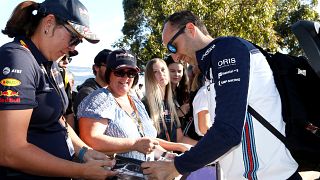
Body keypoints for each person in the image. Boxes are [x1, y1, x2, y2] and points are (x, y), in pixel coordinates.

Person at [141, 10, 300, 180]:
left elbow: (228, 132)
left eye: (173, 46)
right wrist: (185, 158)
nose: (175, 56)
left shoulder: (228, 50)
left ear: (190, 29)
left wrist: (176, 166)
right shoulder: (212, 65)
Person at [0, 0, 117, 179]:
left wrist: (83, 152)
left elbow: (57, 119)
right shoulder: (17, 59)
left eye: (78, 42)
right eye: (73, 38)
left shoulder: (49, 63)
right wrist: (81, 171)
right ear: (48, 23)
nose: (73, 48)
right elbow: (9, 151)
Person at [77, 49, 190, 162]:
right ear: (109, 73)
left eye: (131, 73)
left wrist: (177, 151)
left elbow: (147, 142)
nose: (126, 78)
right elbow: (90, 140)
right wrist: (133, 144)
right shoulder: (99, 99)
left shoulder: (136, 102)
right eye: (120, 72)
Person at [144, 58, 197, 146]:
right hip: (157, 156)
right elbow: (149, 141)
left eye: (163, 70)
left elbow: (180, 138)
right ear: (149, 76)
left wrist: (205, 146)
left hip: (172, 156)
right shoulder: (145, 104)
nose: (161, 74)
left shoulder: (169, 103)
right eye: (155, 72)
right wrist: (178, 148)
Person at [73, 49, 111, 134]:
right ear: (96, 67)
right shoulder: (87, 94)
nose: (112, 71)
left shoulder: (111, 93)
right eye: (109, 67)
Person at [164, 56, 191, 131]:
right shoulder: (161, 92)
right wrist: (177, 114)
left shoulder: (185, 91)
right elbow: (156, 118)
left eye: (179, 71)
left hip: (183, 133)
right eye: (172, 71)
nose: (176, 74)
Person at [57, 50, 78, 128]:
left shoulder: (65, 77)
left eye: (68, 58)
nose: (66, 62)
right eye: (63, 57)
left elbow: (69, 113)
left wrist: (69, 139)